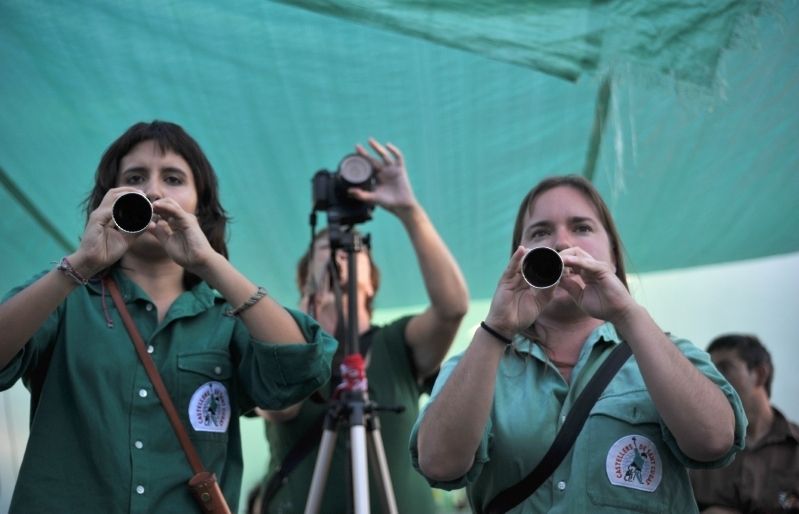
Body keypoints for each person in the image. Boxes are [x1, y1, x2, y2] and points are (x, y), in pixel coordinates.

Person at [0, 120, 337, 513]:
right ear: (108, 200)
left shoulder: (226, 318)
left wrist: (209, 262)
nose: (153, 191)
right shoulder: (66, 295)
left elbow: (301, 369)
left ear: (201, 206)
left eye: (173, 178)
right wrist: (80, 264)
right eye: (135, 177)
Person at [410, 175, 748, 513]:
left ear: (613, 256)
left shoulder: (665, 352)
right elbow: (439, 464)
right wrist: (496, 328)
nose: (560, 241)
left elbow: (714, 442)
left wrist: (628, 315)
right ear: (520, 258)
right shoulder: (479, 362)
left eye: (582, 228)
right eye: (540, 232)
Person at [255, 138, 469, 513]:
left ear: (371, 282)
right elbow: (278, 409)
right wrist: (305, 317)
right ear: (305, 278)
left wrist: (409, 211)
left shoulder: (395, 342)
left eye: (353, 250)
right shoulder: (282, 343)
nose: (341, 253)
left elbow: (452, 307)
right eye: (327, 251)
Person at [691, 334, 799, 513]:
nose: (712, 378)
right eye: (708, 369)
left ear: (760, 374)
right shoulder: (696, 447)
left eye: (725, 368)